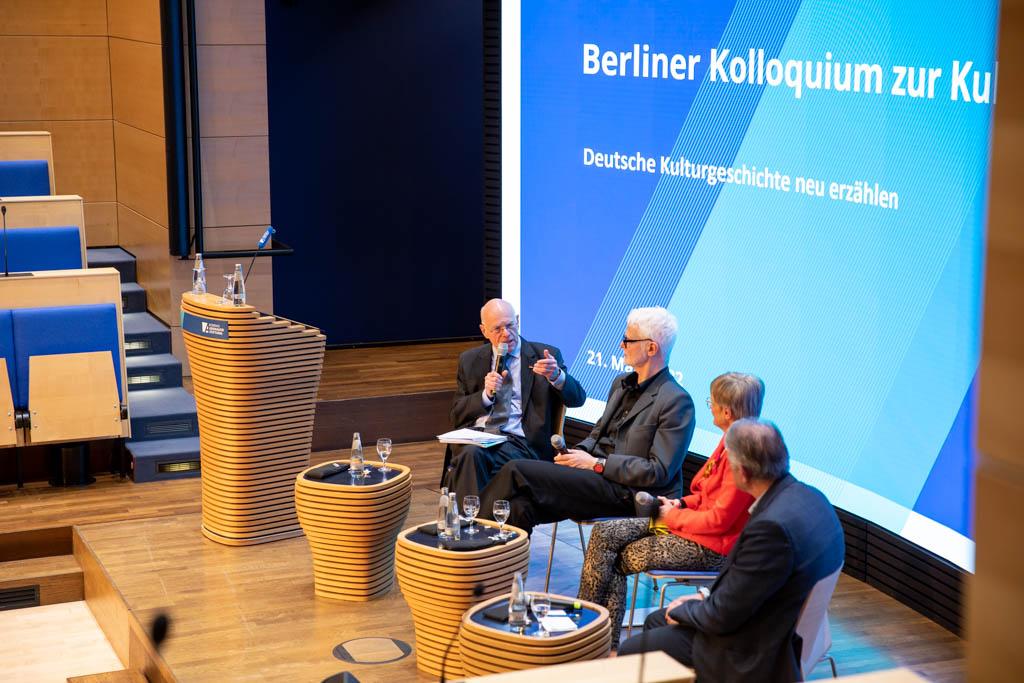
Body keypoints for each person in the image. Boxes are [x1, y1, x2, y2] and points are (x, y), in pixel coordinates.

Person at [618, 419, 845, 683]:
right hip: (784, 625)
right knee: (657, 621)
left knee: (631, 650)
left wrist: (684, 609)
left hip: (751, 650)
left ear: (742, 473)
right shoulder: (813, 497)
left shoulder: (771, 530)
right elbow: (749, 586)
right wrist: (702, 597)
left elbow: (722, 616)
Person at [577, 372, 765, 645]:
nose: (709, 407)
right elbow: (706, 493)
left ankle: (596, 640)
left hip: (710, 547)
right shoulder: (730, 438)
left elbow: (720, 520)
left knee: (619, 558)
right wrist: (681, 503)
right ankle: (588, 632)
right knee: (605, 533)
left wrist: (674, 516)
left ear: (726, 411)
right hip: (688, 525)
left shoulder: (744, 454)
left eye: (711, 402)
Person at [479, 306, 695, 536]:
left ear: (651, 348)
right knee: (518, 506)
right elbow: (597, 435)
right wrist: (575, 455)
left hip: (629, 493)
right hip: (595, 480)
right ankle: (495, 557)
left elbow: (658, 471)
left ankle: (469, 537)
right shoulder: (621, 383)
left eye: (628, 340)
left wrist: (596, 464)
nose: (621, 345)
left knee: (516, 469)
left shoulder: (676, 400)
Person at [445, 298, 586, 499]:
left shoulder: (544, 355)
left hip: (523, 443)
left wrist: (556, 376)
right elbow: (456, 415)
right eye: (497, 329)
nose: (506, 334)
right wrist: (485, 395)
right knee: (471, 455)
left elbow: (578, 399)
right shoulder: (470, 360)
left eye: (510, 325)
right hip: (480, 437)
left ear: (518, 321)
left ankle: (469, 515)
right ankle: (483, 515)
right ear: (484, 331)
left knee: (468, 459)